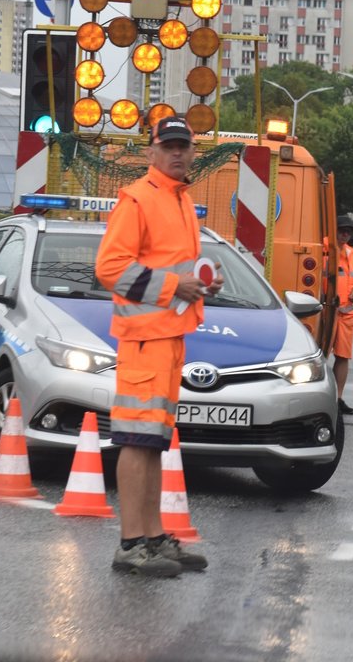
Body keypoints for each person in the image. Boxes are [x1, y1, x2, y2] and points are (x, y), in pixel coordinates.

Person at [95, 115, 222, 578]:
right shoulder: (139, 198)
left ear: (192, 152)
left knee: (153, 442)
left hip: (168, 337)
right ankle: (131, 543)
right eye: (167, 146)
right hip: (145, 339)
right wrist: (174, 287)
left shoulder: (180, 199)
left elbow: (173, 267)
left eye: (182, 146)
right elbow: (109, 267)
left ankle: (152, 537)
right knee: (136, 439)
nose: (175, 152)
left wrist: (201, 283)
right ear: (151, 152)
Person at [331, 215, 353, 416]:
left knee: (343, 357)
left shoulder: (352, 253)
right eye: (341, 230)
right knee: (319, 356)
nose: (345, 234)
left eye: (348, 231)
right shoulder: (324, 249)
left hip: (345, 314)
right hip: (325, 312)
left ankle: (338, 399)